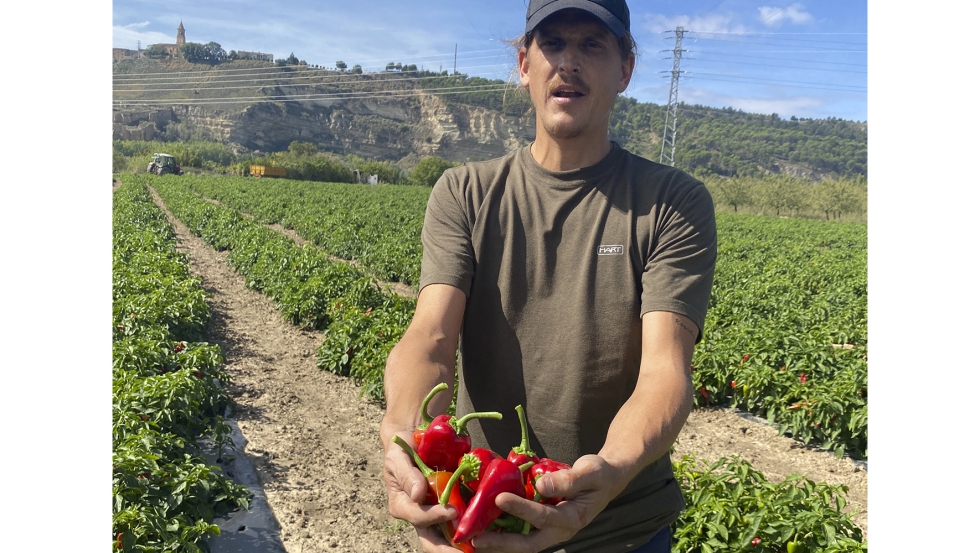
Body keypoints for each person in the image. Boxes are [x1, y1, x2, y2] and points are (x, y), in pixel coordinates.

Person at [379, 0, 717, 551]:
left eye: (592, 45)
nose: (569, 62)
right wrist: (404, 434)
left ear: (625, 69)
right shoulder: (464, 194)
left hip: (621, 526)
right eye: (553, 43)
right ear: (524, 63)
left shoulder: (670, 203)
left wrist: (606, 472)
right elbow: (431, 336)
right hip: (484, 511)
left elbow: (666, 370)